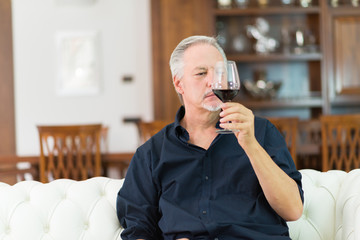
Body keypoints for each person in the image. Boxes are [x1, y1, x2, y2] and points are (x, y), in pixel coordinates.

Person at [116, 35, 304, 240]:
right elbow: (138, 229)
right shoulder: (151, 154)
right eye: (201, 73)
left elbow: (293, 210)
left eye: (220, 72)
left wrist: (251, 145)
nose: (214, 81)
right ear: (179, 84)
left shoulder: (261, 131)